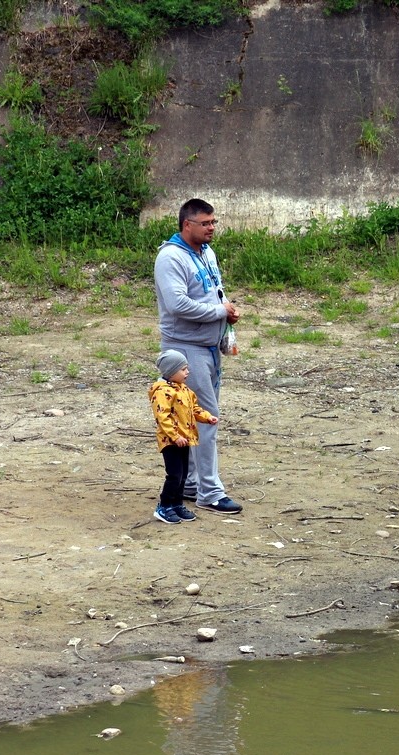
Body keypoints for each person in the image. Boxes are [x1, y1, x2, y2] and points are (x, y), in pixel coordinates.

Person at [154, 198, 243, 514]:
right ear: (186, 224)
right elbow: (177, 305)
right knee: (207, 418)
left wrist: (226, 312)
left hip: (206, 348)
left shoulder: (206, 253)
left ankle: (192, 484)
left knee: (190, 416)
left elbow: (213, 291)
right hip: (185, 349)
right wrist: (218, 311)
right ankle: (210, 491)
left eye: (213, 222)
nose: (212, 228)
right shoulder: (170, 258)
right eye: (206, 223)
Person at [150, 350, 218, 525]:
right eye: (183, 369)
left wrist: (206, 417)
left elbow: (194, 409)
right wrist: (174, 435)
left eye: (187, 368)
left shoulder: (184, 389)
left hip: (186, 438)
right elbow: (162, 416)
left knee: (183, 475)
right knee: (174, 474)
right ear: (170, 371)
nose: (187, 372)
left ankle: (177, 504)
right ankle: (164, 506)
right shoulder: (162, 392)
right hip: (171, 441)